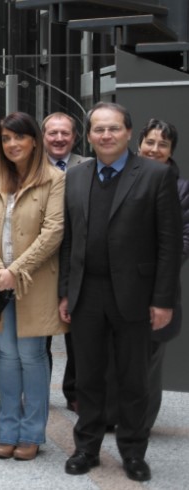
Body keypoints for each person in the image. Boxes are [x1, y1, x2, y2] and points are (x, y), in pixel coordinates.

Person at [60, 102, 181, 482]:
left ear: (129, 133)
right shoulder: (76, 177)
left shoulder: (155, 175)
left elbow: (169, 244)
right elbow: (69, 243)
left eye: (113, 129)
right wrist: (66, 292)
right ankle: (87, 447)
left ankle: (133, 451)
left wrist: (163, 300)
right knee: (89, 378)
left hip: (136, 295)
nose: (106, 136)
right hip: (87, 294)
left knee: (133, 380)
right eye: (99, 129)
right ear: (90, 135)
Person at [0, 111, 67, 461]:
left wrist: (16, 270)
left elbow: (53, 232)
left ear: (34, 141)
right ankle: (7, 430)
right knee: (5, 357)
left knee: (32, 356)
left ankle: (32, 433)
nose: (12, 144)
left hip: (34, 283)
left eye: (19, 137)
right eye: (6, 138)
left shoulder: (53, 179)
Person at [129, 119, 189, 433]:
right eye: (150, 142)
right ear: (139, 143)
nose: (154, 149)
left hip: (154, 290)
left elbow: (182, 242)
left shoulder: (182, 189)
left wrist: (148, 269)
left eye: (162, 144)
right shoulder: (121, 178)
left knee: (149, 364)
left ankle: (139, 427)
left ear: (170, 151)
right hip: (117, 288)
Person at [41, 111, 84, 413]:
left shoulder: (89, 167)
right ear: (43, 137)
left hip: (80, 261)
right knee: (38, 333)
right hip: (41, 262)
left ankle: (75, 391)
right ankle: (37, 389)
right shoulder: (30, 168)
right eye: (52, 133)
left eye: (64, 133)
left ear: (75, 137)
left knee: (78, 334)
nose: (58, 138)